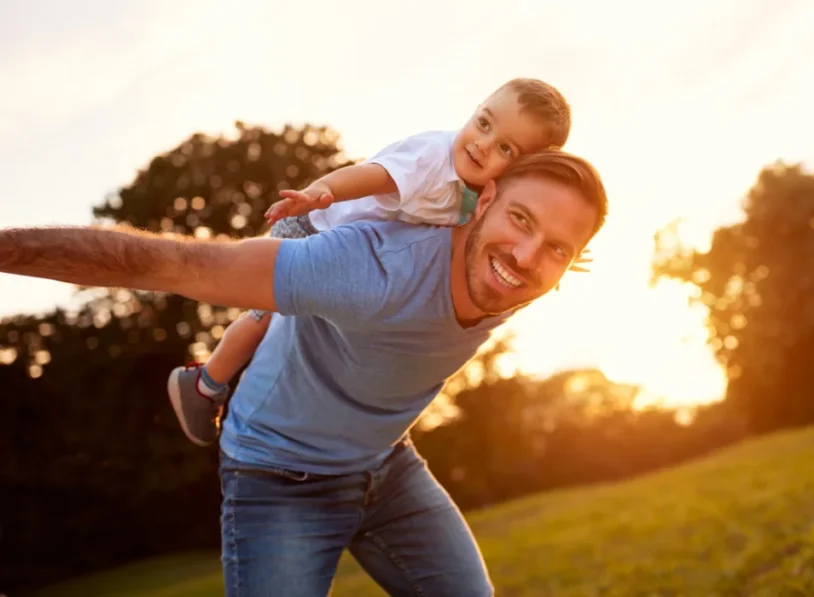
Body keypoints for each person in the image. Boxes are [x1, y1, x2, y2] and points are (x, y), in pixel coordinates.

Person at [0, 149, 608, 596]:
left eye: (558, 249)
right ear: (488, 198)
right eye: (522, 221)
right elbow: (175, 263)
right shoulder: (369, 268)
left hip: (385, 466)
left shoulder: (515, 278)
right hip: (278, 476)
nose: (526, 257)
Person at [169, 78, 574, 448]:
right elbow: (373, 175)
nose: (483, 144)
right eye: (484, 123)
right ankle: (205, 384)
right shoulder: (431, 159)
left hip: (361, 259)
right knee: (266, 316)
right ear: (476, 108)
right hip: (314, 225)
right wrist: (322, 190)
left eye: (506, 148)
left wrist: (558, 250)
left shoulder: (487, 192)